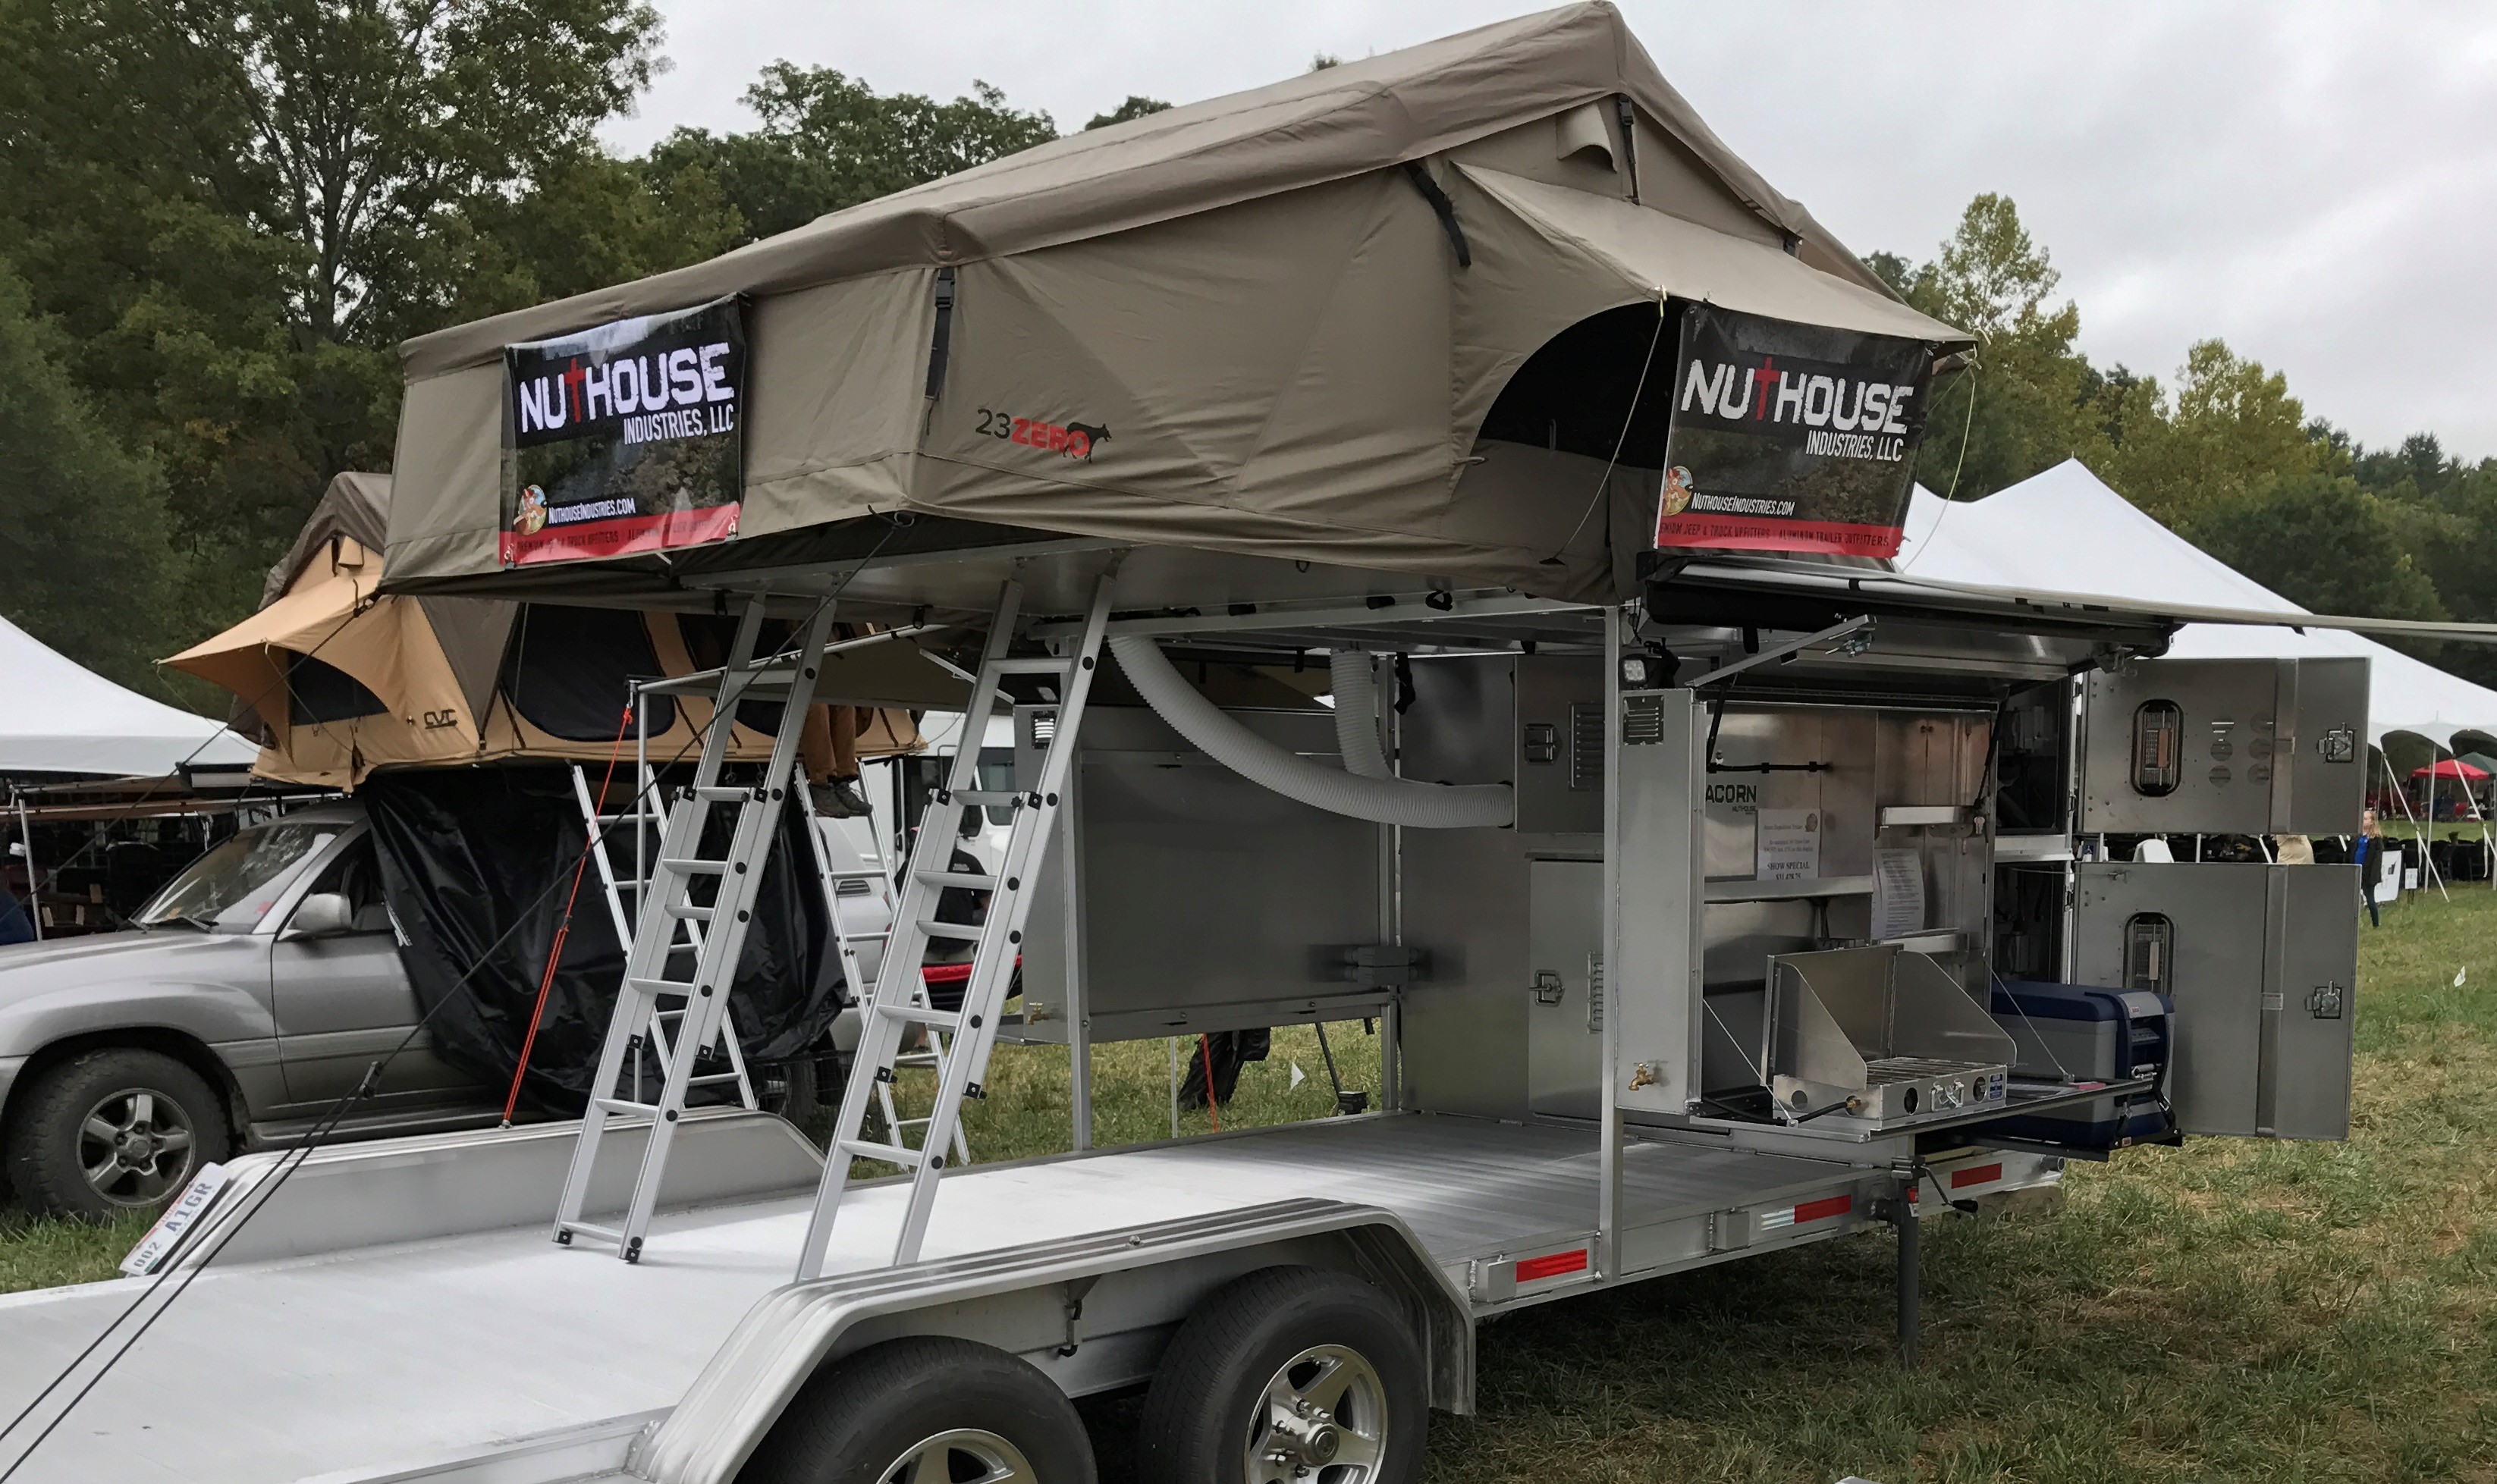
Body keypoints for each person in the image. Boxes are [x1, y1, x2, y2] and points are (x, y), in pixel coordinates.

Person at [801, 703, 875, 818]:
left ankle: (840, 781)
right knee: (816, 706)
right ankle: (821, 784)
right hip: (773, 704)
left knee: (843, 703)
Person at [2352, 808, 2382, 928]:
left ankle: (2376, 923)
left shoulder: (2376, 839)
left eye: (2365, 819)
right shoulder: (2357, 837)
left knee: (2370, 899)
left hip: (2367, 873)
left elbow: (2377, 860)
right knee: (2352, 899)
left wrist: (2373, 876)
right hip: (2355, 870)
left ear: (2372, 822)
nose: (2363, 821)